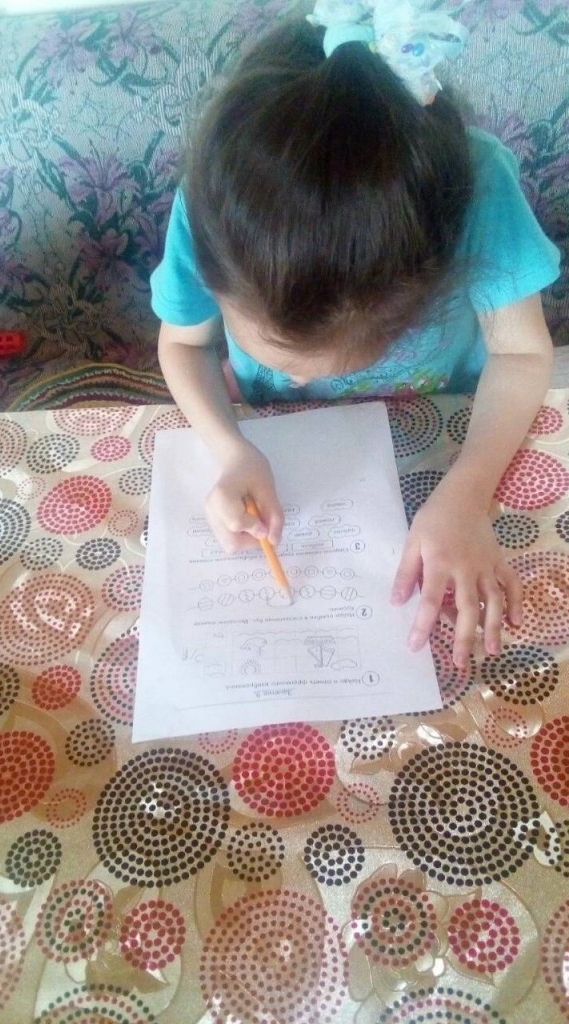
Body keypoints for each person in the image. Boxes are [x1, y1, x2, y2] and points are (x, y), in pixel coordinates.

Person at [150, 2, 560, 669]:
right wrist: (230, 448)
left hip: (451, 435)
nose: (299, 379)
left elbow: (521, 351)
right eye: (279, 355)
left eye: (322, 361)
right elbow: (185, 344)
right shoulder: (213, 209)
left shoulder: (475, 190)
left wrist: (468, 491)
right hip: (281, 444)